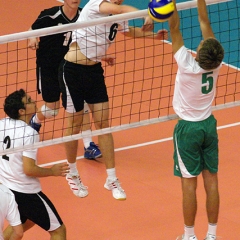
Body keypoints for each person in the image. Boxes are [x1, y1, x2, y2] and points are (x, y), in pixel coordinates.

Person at [58, 0, 168, 200]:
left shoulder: (115, 12)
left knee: (103, 125)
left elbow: (127, 31)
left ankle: (112, 178)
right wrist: (148, 14)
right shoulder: (96, 4)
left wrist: (154, 37)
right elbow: (120, 10)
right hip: (72, 72)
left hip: (94, 72)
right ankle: (72, 173)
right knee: (73, 126)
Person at [168, 0, 224, 239]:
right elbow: (205, 22)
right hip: (209, 126)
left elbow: (175, 29)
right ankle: (211, 235)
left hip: (188, 130)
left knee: (188, 184)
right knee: (211, 181)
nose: (202, 40)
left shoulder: (186, 64)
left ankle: (189, 235)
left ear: (200, 53)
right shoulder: (216, 64)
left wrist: (170, 3)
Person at [28, 0, 102, 160]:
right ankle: (35, 119)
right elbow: (32, 30)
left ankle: (88, 145)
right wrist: (32, 38)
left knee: (81, 105)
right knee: (52, 109)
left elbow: (91, 40)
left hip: (71, 66)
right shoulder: (49, 15)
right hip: (48, 67)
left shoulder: (85, 14)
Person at [0, 89, 69, 240]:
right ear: (21, 110)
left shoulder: (3, 124)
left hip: (6, 188)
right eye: (30, 101)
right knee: (58, 230)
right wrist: (52, 171)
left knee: (26, 221)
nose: (34, 102)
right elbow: (29, 169)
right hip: (25, 193)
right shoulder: (29, 134)